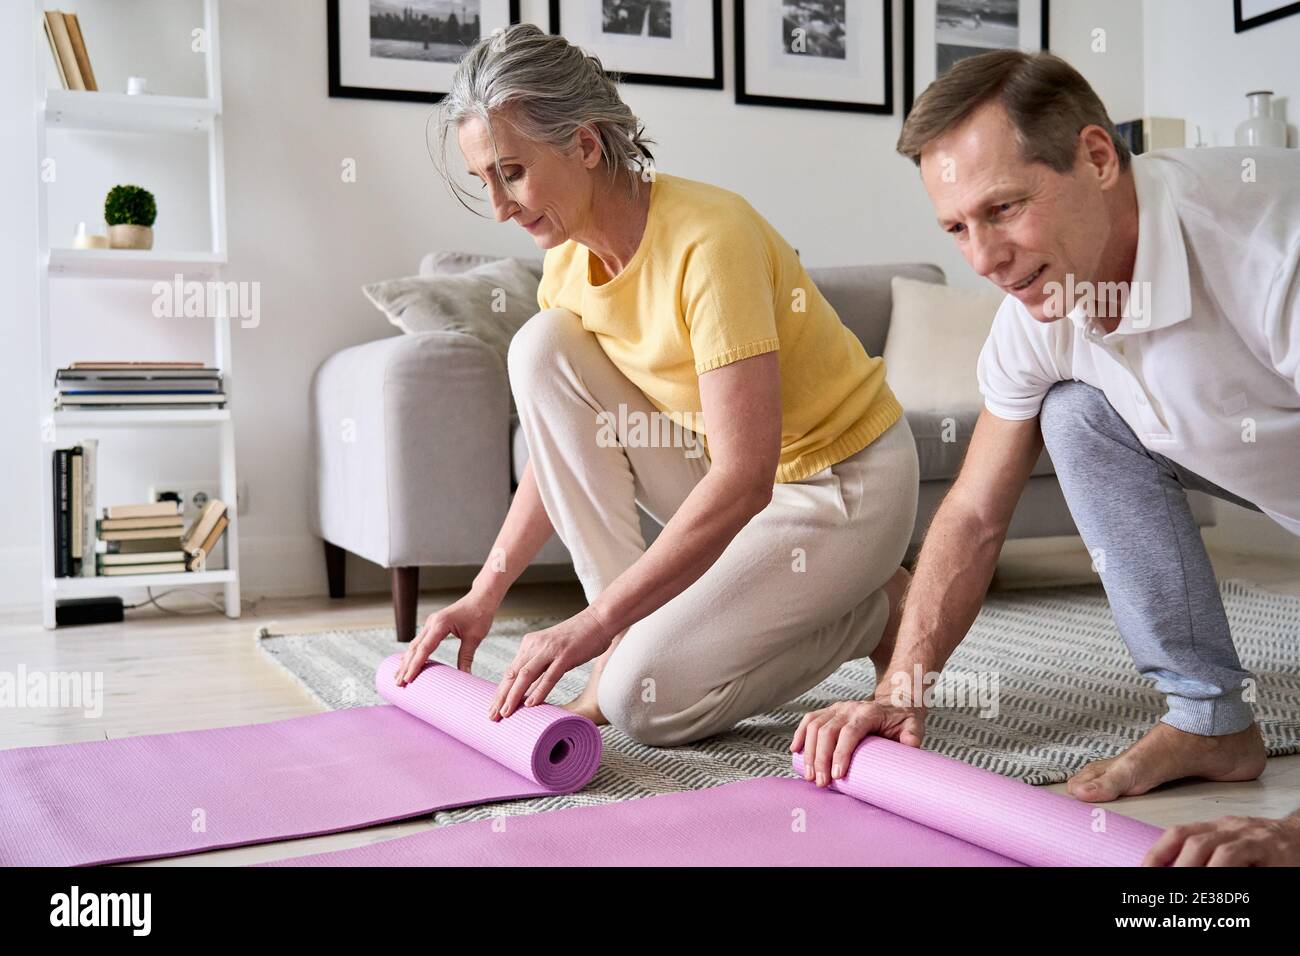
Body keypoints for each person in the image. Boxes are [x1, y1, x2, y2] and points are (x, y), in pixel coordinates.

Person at [791, 49, 1300, 866]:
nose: (985, 259)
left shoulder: (1271, 249)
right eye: (957, 227)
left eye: (1004, 207)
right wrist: (899, 692)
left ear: (1097, 158)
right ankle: (1210, 721)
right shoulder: (1038, 308)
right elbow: (974, 513)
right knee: (1074, 411)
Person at [393, 24, 919, 748]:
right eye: (484, 180)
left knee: (645, 706)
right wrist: (486, 593)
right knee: (538, 347)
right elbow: (557, 453)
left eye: (510, 172)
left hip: (840, 485)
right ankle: (624, 646)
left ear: (583, 144)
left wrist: (592, 624)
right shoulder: (567, 267)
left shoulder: (711, 240)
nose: (500, 208)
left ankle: (880, 607)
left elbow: (745, 479)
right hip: (736, 479)